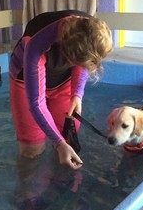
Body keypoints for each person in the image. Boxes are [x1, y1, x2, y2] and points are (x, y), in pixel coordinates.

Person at [9, 10, 113, 170]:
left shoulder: (90, 29)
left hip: (63, 80)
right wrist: (58, 144)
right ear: (65, 52)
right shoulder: (36, 42)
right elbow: (37, 103)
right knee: (32, 151)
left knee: (69, 138)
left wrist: (77, 94)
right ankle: (30, 192)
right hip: (25, 80)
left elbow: (84, 62)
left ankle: (60, 184)